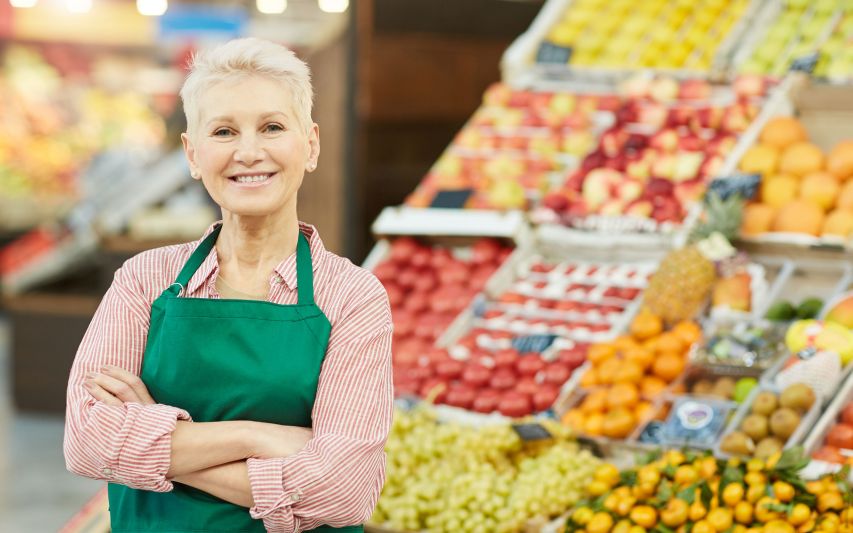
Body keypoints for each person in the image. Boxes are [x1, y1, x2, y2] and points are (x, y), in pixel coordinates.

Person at [63, 37, 393, 533]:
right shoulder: (144, 280)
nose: (248, 151)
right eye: (223, 131)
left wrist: (156, 437)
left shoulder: (352, 297)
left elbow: (344, 490)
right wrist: (256, 436)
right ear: (193, 155)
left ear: (312, 145)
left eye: (272, 127)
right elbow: (87, 441)